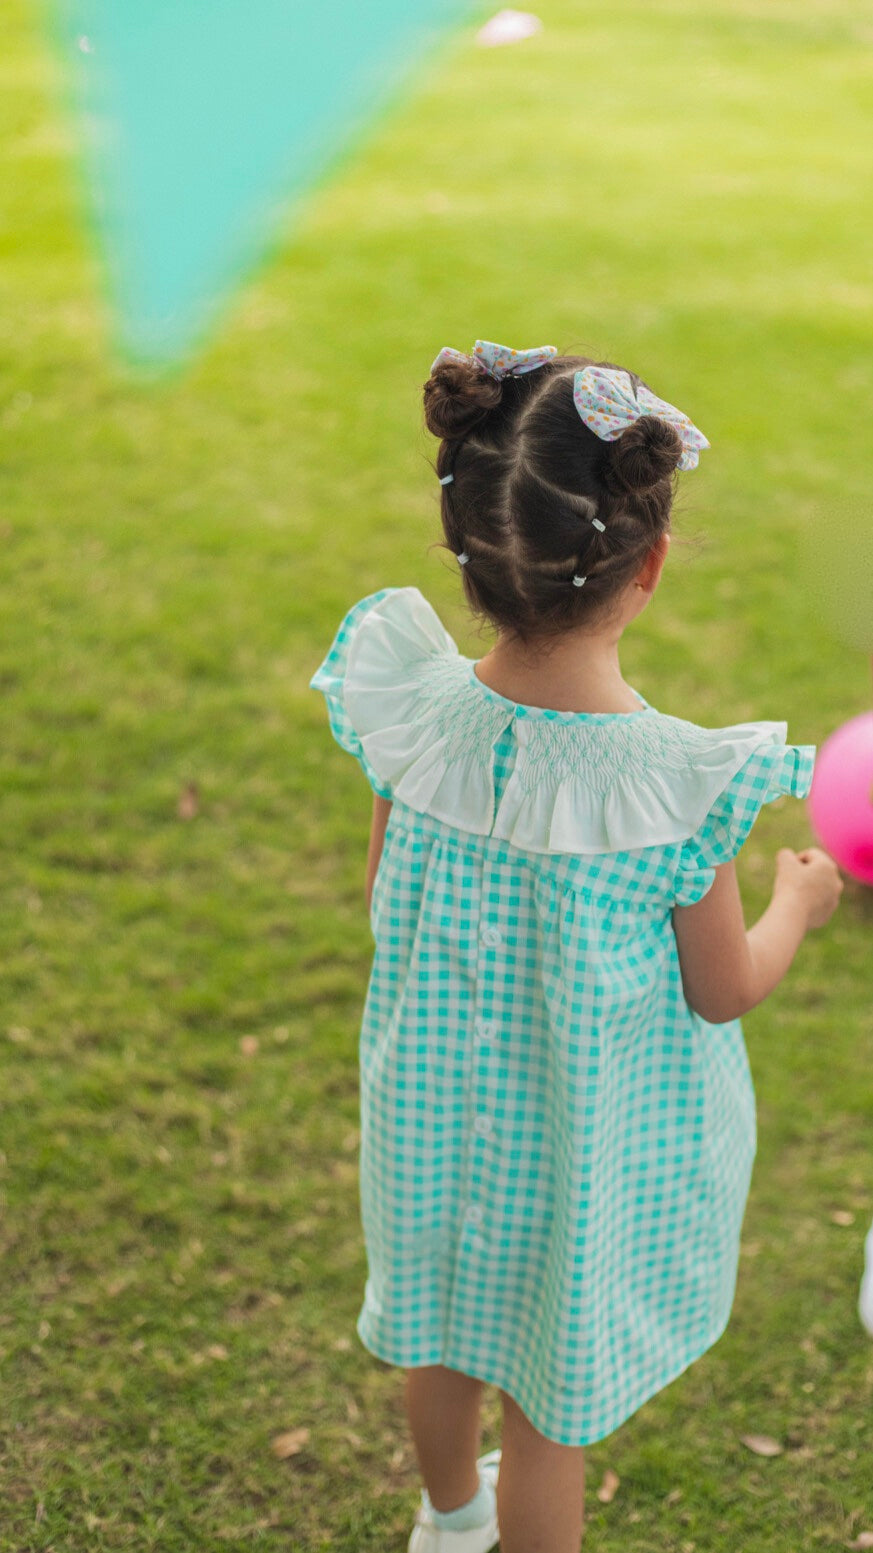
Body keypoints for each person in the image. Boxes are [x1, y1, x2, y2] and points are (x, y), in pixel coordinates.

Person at [310, 340, 843, 1553]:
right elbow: (722, 989)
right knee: (546, 1420)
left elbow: (387, 892)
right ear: (648, 565)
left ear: (473, 549)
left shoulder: (416, 719)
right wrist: (796, 906)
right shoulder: (667, 789)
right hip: (579, 1162)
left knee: (439, 1340)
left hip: (431, 1132)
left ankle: (451, 1518)